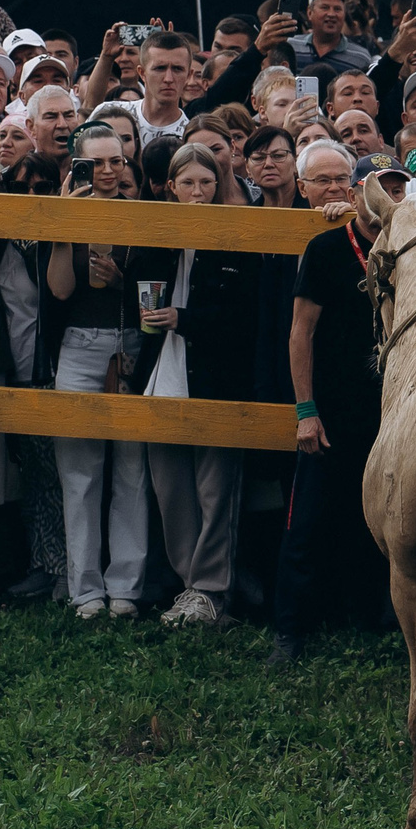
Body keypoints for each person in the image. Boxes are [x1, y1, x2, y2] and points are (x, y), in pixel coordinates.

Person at [128, 144, 258, 628]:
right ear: (170, 187)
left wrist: (186, 319)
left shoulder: (235, 236)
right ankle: (189, 589)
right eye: (187, 184)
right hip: (160, 372)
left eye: (206, 183)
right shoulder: (156, 233)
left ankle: (211, 590)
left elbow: (245, 316)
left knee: (215, 488)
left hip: (216, 376)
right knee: (170, 488)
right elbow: (134, 289)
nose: (198, 193)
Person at [277, 147, 394, 665]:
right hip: (331, 408)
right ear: (357, 195)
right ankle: (290, 631)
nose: (384, 198)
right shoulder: (326, 248)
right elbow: (300, 333)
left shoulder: (403, 247)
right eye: (376, 188)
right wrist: (306, 410)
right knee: (306, 522)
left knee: (379, 520)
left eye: (394, 188)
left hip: (388, 409)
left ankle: (372, 621)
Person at [44, 126, 153, 619]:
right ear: (77, 166)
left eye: (117, 161)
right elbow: (61, 290)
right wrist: (67, 224)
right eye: (97, 163)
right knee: (79, 470)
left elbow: (153, 292)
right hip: (80, 344)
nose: (109, 171)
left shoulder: (142, 213)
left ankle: (125, 589)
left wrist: (122, 283)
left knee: (131, 468)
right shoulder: (68, 210)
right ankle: (85, 590)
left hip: (130, 344)